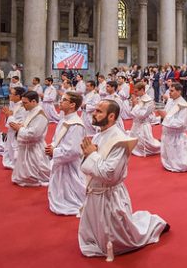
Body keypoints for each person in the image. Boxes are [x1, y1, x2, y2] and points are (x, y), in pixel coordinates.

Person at [78, 99, 169, 260]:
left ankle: (156, 224)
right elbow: (90, 165)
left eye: (99, 111)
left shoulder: (119, 141)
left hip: (110, 195)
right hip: (96, 191)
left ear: (111, 116)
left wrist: (92, 155)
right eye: (95, 110)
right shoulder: (99, 135)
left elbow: (110, 175)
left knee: (121, 239)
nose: (94, 113)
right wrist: (89, 155)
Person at [46, 91, 86, 215]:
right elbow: (57, 138)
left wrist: (54, 151)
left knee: (72, 194)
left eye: (64, 100)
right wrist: (52, 146)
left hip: (70, 164)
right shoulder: (65, 120)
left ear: (72, 105)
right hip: (62, 160)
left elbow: (73, 151)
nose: (60, 102)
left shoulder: (76, 125)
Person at [155, 83, 187, 172]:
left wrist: (165, 117)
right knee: (169, 160)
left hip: (177, 136)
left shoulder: (183, 106)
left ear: (179, 92)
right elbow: (167, 114)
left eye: (172, 91)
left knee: (182, 165)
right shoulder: (170, 101)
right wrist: (163, 116)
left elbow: (181, 123)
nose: (169, 93)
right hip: (168, 134)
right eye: (169, 90)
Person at [11, 90, 51, 187]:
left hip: (35, 146)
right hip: (27, 145)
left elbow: (34, 134)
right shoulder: (31, 111)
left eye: (25, 103)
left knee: (38, 170)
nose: (23, 105)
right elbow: (28, 125)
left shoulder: (40, 115)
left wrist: (19, 129)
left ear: (33, 101)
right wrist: (21, 126)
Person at [129, 81, 161, 157]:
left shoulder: (149, 101)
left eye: (136, 91)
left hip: (143, 125)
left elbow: (142, 115)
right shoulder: (138, 98)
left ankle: (161, 145)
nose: (135, 93)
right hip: (136, 124)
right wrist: (133, 105)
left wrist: (136, 105)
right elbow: (132, 113)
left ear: (142, 90)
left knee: (148, 145)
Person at [2, 87, 27, 169]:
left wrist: (9, 116)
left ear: (18, 96)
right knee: (9, 148)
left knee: (15, 149)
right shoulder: (15, 104)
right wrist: (7, 115)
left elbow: (18, 123)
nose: (10, 95)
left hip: (17, 132)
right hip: (11, 131)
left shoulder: (22, 107)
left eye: (12, 94)